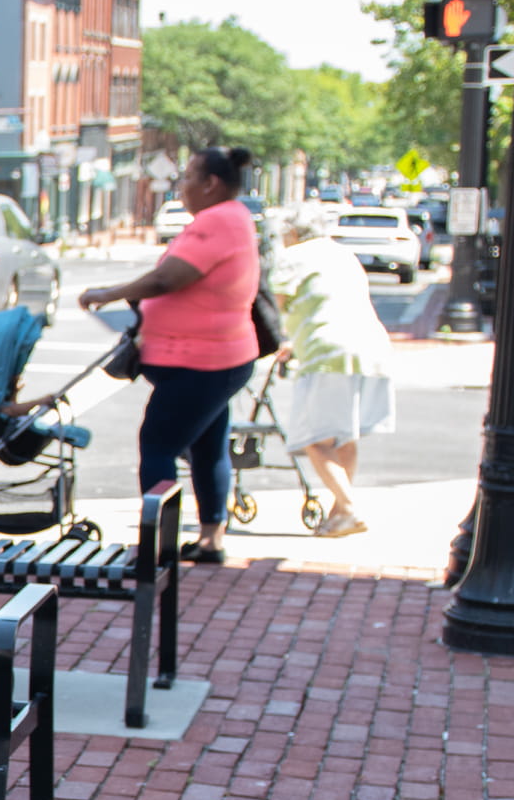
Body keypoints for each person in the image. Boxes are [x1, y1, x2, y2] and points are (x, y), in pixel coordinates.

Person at [79, 143, 263, 564]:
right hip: (221, 356)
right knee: (208, 444)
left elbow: (169, 279)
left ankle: (157, 547)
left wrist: (109, 294)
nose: (181, 186)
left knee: (159, 444)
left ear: (210, 184)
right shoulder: (233, 217)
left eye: (187, 177)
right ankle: (210, 539)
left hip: (201, 361)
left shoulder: (216, 222)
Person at [268, 204, 397, 538]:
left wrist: (283, 338)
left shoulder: (291, 257)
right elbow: (331, 302)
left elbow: (277, 306)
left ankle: (349, 508)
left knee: (316, 439)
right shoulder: (343, 254)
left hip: (327, 353)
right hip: (370, 347)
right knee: (345, 437)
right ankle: (339, 514)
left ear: (292, 232)